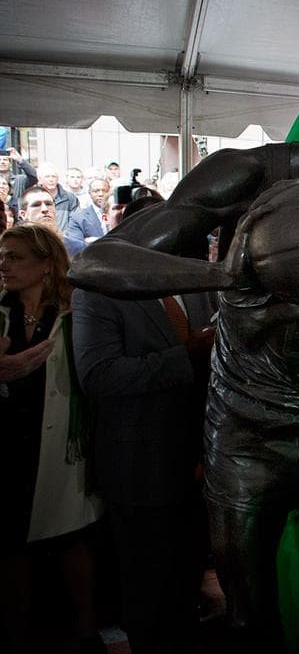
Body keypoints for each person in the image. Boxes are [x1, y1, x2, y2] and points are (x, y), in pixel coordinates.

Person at [69, 34, 299, 651]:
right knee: (248, 616)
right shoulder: (251, 172)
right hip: (244, 431)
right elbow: (96, 263)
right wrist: (222, 275)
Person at [72, 273, 216, 653]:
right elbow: (97, 375)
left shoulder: (198, 283)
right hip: (139, 465)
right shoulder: (99, 292)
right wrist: (186, 355)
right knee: (146, 586)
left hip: (203, 461)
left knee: (187, 579)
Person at [1, 224, 104, 654]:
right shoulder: (0, 310)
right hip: (8, 441)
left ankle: (85, 631)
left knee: (69, 539)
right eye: (2, 257)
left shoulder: (73, 311)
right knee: (11, 543)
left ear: (46, 265)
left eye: (15, 257)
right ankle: (16, 634)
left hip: (61, 441)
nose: (4, 266)